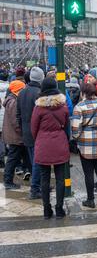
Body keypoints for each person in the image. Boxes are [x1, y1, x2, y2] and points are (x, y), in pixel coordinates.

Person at [31, 78, 70, 219]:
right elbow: (66, 127)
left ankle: (47, 210)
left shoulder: (38, 108)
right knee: (60, 178)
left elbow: (33, 129)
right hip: (59, 143)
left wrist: (40, 140)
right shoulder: (63, 106)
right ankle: (59, 209)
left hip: (43, 145)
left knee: (44, 179)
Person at [72, 83, 97, 208]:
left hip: (86, 145)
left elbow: (75, 129)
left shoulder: (79, 107)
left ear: (83, 93)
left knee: (88, 173)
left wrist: (77, 137)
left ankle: (90, 200)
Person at [16, 66, 45, 199]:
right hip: (37, 133)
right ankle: (35, 189)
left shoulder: (22, 92)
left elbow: (18, 114)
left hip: (26, 132)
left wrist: (22, 129)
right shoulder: (39, 93)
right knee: (38, 161)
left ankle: (39, 185)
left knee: (34, 160)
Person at [2, 80, 27, 189]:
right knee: (12, 158)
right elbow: (15, 121)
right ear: (18, 90)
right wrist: (21, 132)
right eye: (22, 89)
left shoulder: (12, 99)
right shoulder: (13, 101)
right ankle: (7, 182)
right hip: (15, 136)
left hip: (13, 135)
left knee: (16, 157)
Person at [0, 70, 9, 168]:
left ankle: (1, 159)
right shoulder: (10, 88)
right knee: (3, 138)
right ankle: (3, 156)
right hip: (6, 118)